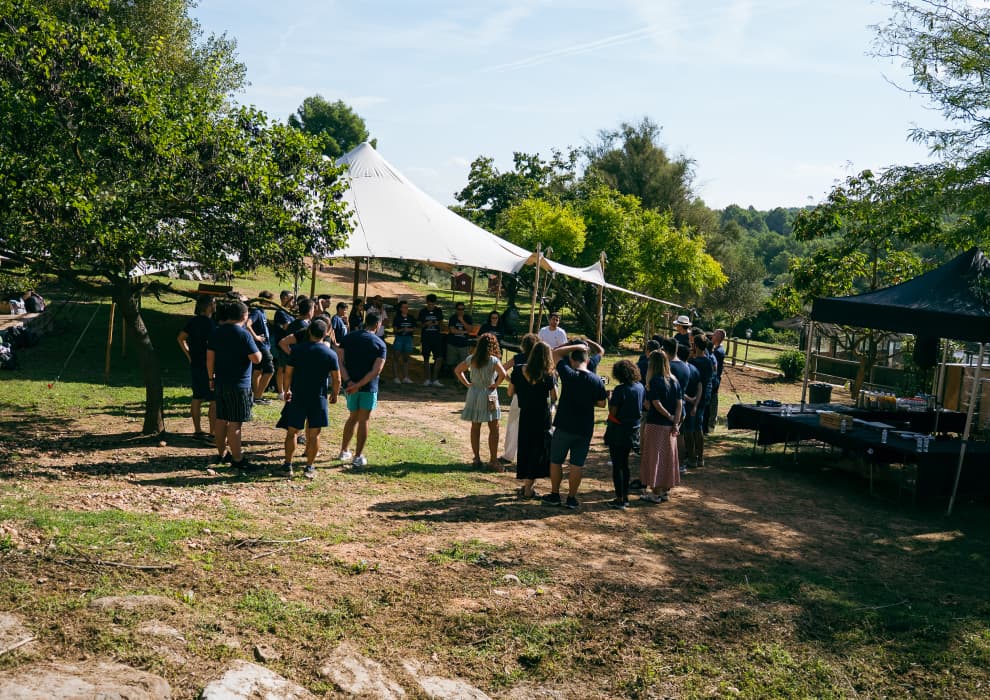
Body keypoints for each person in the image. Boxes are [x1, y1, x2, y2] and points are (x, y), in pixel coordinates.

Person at [542, 342, 608, 510]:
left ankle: (555, 494)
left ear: (572, 360)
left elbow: (555, 353)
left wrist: (574, 346)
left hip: (564, 425)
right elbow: (602, 403)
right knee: (577, 465)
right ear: (587, 360)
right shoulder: (596, 380)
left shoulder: (569, 374)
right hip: (584, 428)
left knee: (556, 461)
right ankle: (571, 498)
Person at [276, 319, 341, 479]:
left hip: (298, 395)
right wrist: (334, 394)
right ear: (325, 334)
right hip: (318, 397)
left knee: (292, 432)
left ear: (309, 331)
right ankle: (309, 467)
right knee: (314, 434)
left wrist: (287, 390)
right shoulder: (330, 354)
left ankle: (287, 465)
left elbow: (288, 373)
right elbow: (337, 378)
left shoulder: (297, 350)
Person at [206, 300, 261, 470]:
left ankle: (222, 453)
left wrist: (210, 378)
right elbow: (256, 359)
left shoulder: (217, 332)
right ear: (244, 316)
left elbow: (210, 357)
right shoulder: (243, 334)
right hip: (239, 384)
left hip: (220, 381)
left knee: (221, 420)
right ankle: (238, 459)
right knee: (235, 423)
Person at [338, 312, 387, 468]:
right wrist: (358, 385)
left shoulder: (348, 338)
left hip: (349, 386)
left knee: (352, 417)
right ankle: (358, 456)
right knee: (364, 419)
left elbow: (339, 361)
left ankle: (344, 451)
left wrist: (349, 382)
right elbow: (376, 370)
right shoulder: (380, 344)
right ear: (377, 324)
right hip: (368, 387)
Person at [508, 340, 556, 498]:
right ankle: (529, 488)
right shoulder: (548, 374)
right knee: (538, 449)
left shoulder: (518, 370)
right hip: (542, 416)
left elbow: (510, 392)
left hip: (526, 413)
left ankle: (527, 484)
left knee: (526, 447)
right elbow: (555, 396)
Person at [455, 332, 506, 470]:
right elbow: (503, 374)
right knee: (494, 427)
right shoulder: (493, 360)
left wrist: (467, 384)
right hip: (489, 394)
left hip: (474, 393)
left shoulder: (471, 358)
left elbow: (458, 370)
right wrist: (496, 384)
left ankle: (476, 458)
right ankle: (493, 460)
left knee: (475, 426)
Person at [638, 350, 682, 503]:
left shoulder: (654, 381)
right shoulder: (674, 380)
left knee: (654, 458)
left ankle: (655, 493)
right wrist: (675, 422)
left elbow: (655, 403)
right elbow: (679, 404)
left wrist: (668, 416)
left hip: (656, 424)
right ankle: (664, 491)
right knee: (667, 458)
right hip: (670, 427)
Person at [605, 359, 644, 509]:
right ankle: (625, 495)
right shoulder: (640, 387)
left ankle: (620, 498)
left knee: (618, 465)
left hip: (618, 431)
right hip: (633, 430)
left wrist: (610, 399)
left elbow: (613, 413)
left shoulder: (620, 390)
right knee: (625, 464)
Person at [176, 294, 216, 441]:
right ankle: (213, 433)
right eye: (214, 302)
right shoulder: (211, 324)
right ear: (208, 306)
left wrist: (189, 355)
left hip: (196, 363)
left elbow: (180, 338)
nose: (215, 305)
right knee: (214, 400)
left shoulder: (192, 321)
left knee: (197, 397)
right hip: (209, 364)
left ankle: (197, 431)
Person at [498, 333, 538, 465]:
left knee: (513, 426)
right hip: (536, 397)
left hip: (519, 395)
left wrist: (511, 380)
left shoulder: (518, 358)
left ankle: (509, 455)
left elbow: (502, 369)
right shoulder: (540, 359)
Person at [688, 333, 714, 469]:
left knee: (690, 428)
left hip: (694, 397)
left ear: (696, 346)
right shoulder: (708, 361)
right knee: (699, 427)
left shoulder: (694, 362)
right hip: (705, 397)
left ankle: (692, 457)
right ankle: (701, 457)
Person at [248, 291, 274, 405]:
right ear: (263, 301)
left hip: (264, 345)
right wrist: (256, 337)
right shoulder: (257, 312)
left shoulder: (262, 312)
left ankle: (256, 396)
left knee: (258, 370)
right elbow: (247, 324)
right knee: (270, 370)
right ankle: (258, 396)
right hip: (261, 346)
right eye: (269, 302)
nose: (270, 304)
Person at [271, 290, 295, 400]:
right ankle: (281, 391)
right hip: (282, 344)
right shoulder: (281, 312)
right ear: (284, 298)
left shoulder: (288, 312)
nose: (293, 301)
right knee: (281, 368)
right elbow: (287, 327)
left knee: (287, 368)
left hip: (289, 344)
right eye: (291, 298)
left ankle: (287, 390)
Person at [418, 294, 444, 386]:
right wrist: (426, 324)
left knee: (439, 357)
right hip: (426, 338)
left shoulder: (438, 311)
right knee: (426, 358)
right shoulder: (423, 311)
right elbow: (419, 325)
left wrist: (437, 323)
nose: (431, 306)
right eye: (429, 304)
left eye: (432, 304)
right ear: (427, 302)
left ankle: (435, 379)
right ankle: (427, 379)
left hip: (436, 338)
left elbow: (441, 324)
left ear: (435, 303)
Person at [391, 300, 417, 384]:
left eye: (407, 307)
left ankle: (406, 377)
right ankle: (395, 377)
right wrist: (401, 330)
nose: (406, 309)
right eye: (404, 307)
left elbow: (415, 328)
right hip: (399, 338)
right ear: (401, 308)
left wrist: (408, 329)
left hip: (408, 338)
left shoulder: (411, 317)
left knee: (406, 358)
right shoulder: (397, 318)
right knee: (396, 357)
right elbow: (394, 330)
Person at [707, 329, 727, 432]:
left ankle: (711, 424)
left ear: (719, 338)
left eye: (714, 335)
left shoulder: (718, 351)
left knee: (713, 402)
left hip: (714, 380)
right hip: (714, 379)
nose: (712, 336)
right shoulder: (717, 349)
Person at [446, 302, 474, 371]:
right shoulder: (453, 318)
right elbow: (452, 330)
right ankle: (456, 376)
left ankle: (462, 377)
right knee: (451, 363)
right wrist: (464, 332)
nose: (461, 311)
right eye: (459, 309)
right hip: (453, 344)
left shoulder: (468, 318)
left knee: (465, 364)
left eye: (462, 309)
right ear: (456, 309)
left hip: (464, 345)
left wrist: (462, 320)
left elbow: (470, 329)